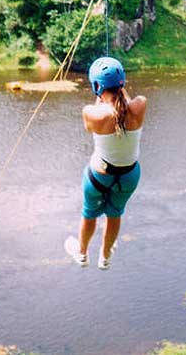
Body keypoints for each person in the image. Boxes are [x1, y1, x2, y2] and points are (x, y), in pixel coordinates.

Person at [65, 57, 147, 270]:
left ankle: (82, 254)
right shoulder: (140, 105)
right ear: (122, 83)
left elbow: (94, 120)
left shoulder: (92, 112)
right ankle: (105, 257)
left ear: (97, 86)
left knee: (89, 212)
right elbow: (125, 103)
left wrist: (101, 97)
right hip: (129, 177)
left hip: (98, 176)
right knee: (115, 213)